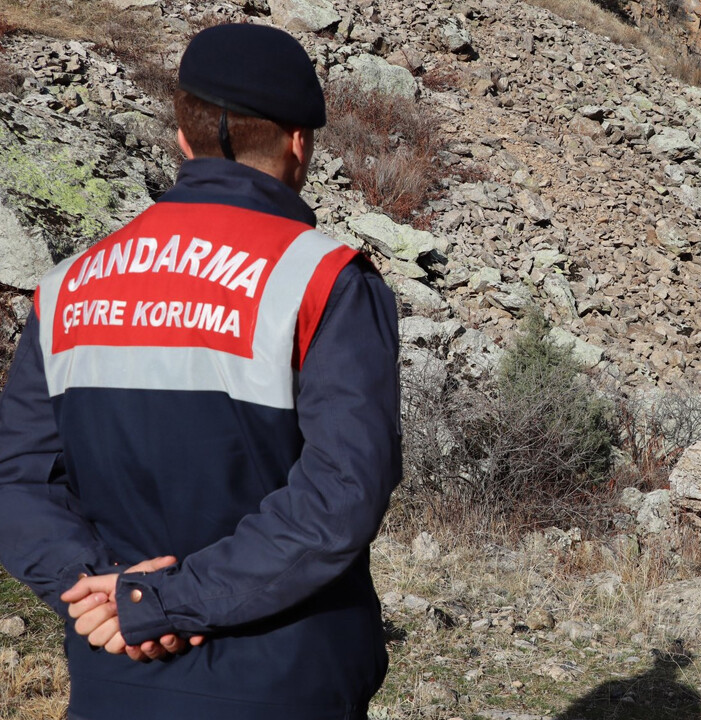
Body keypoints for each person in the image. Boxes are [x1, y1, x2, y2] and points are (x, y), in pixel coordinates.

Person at [0, 23, 401, 720]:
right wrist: (165, 602)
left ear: (181, 138)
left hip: (114, 674)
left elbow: (18, 481)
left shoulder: (66, 288)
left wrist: (106, 596)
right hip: (287, 679)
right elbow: (342, 493)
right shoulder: (323, 281)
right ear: (299, 146)